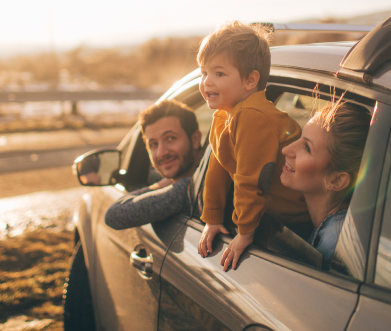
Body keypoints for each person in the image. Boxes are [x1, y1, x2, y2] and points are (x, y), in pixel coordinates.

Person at [196, 21, 309, 271]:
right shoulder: (225, 115)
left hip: (301, 218)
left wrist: (244, 233)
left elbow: (249, 179)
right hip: (277, 215)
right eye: (203, 73)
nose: (207, 82)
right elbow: (218, 168)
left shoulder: (251, 115)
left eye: (219, 73)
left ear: (250, 80)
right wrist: (212, 218)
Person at [280, 98, 371, 268]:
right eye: (300, 137)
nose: (286, 150)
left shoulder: (333, 247)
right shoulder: (335, 228)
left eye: (306, 147)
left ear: (336, 180)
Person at [104, 99, 205, 230]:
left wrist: (164, 184)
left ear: (195, 139)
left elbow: (114, 215)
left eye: (170, 138)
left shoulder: (194, 189)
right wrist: (167, 182)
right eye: (153, 144)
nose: (161, 153)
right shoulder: (193, 183)